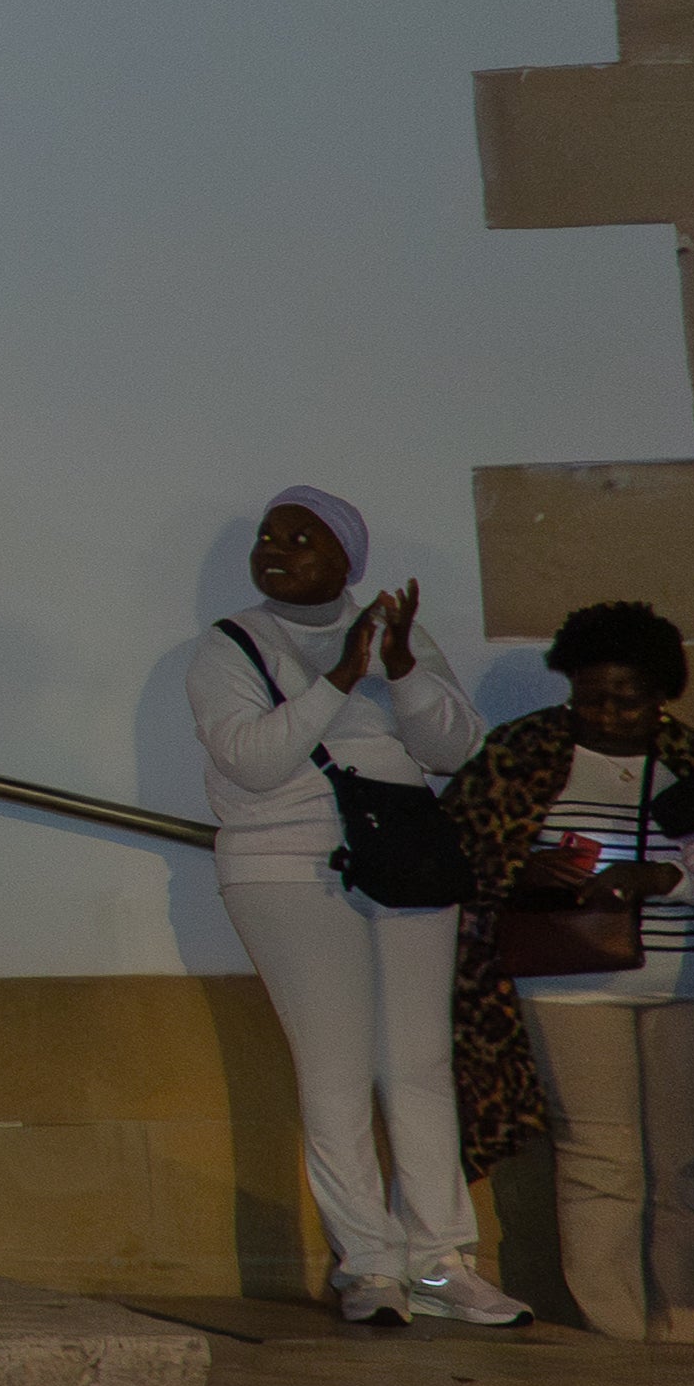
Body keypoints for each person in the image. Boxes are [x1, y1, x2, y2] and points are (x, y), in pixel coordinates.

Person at [193, 491, 511, 1327]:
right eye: (269, 535)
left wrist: (400, 667)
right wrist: (340, 677)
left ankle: (441, 1262)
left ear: (349, 560)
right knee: (334, 1069)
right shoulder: (229, 647)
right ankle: (368, 1265)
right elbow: (256, 762)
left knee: (417, 1065)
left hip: (402, 863)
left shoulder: (395, 639)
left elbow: (451, 748)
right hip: (288, 868)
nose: (277, 549)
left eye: (304, 538)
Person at [447, 601, 694, 1345]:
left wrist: (665, 880)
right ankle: (615, 1337)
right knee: (598, 1161)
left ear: (661, 693)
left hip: (687, 982)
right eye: (589, 696)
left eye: (625, 699)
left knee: (682, 1169)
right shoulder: (525, 752)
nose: (605, 715)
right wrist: (522, 866)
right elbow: (460, 851)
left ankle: (683, 1336)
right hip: (568, 984)